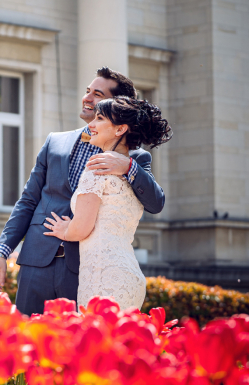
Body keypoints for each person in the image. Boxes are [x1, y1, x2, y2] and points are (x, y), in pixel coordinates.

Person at [0, 67, 165, 316]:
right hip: (36, 263)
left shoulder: (135, 157)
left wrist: (129, 167)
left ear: (117, 104)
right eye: (87, 91)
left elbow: (156, 202)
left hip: (83, 269)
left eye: (97, 94)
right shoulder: (54, 142)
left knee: (73, 347)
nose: (87, 98)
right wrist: (1, 252)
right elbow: (28, 201)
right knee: (28, 342)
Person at [42, 96, 172, 310]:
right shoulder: (128, 176)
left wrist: (64, 230)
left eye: (99, 118)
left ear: (120, 129)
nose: (91, 124)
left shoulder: (97, 168)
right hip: (129, 274)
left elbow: (82, 228)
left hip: (103, 275)